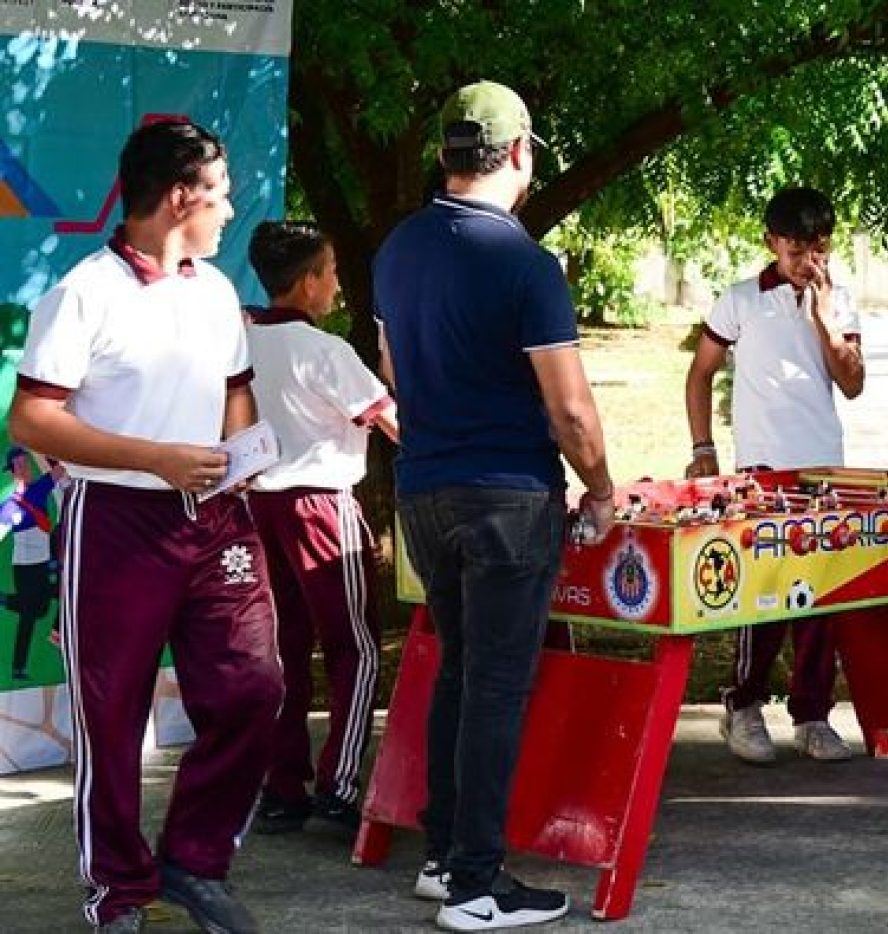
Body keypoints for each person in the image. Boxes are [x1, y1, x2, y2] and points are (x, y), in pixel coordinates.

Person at [7, 120, 281, 934]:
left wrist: (241, 450)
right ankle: (119, 891)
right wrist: (154, 458)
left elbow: (236, 390)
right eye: (220, 192)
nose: (229, 209)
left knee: (254, 689)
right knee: (113, 715)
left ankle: (194, 862)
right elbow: (32, 420)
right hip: (118, 522)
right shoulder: (84, 293)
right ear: (178, 198)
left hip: (217, 515)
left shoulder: (215, 291)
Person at [373, 80, 615, 932]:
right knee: (496, 684)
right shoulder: (524, 260)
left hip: (424, 490)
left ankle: (446, 858)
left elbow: (397, 372)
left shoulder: (397, 248)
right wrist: (604, 483)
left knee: (462, 667)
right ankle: (477, 884)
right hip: (508, 493)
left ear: (446, 154)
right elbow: (572, 409)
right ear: (518, 155)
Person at [684, 186, 865, 765]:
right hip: (761, 470)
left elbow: (854, 382)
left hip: (824, 468)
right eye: (794, 253)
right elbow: (700, 373)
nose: (807, 264)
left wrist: (825, 322)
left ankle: (812, 715)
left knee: (820, 596)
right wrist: (703, 446)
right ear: (771, 244)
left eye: (818, 250)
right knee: (762, 594)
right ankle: (743, 706)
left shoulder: (841, 299)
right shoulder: (739, 299)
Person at [243, 221, 399, 837]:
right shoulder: (326, 351)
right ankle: (337, 784)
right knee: (354, 648)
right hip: (321, 506)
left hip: (260, 506)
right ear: (308, 282)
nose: (336, 282)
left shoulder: (244, 341)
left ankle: (282, 786)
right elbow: (390, 420)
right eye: (331, 270)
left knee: (281, 651)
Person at [2, 447, 60, 681]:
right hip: (24, 566)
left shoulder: (38, 490)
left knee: (41, 607)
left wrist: (47, 443)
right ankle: (18, 667)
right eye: (18, 465)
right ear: (12, 472)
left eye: (25, 463)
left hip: (42, 561)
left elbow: (59, 470)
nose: (24, 468)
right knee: (29, 614)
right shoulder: (9, 506)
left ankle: (5, 599)